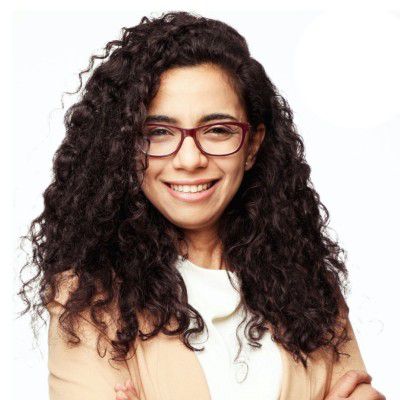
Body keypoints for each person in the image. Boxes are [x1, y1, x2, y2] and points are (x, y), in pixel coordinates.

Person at [17, 11, 385, 400]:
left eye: (218, 130)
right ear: (125, 145)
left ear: (252, 145)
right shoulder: (88, 300)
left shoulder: (308, 283)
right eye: (159, 132)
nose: (190, 159)